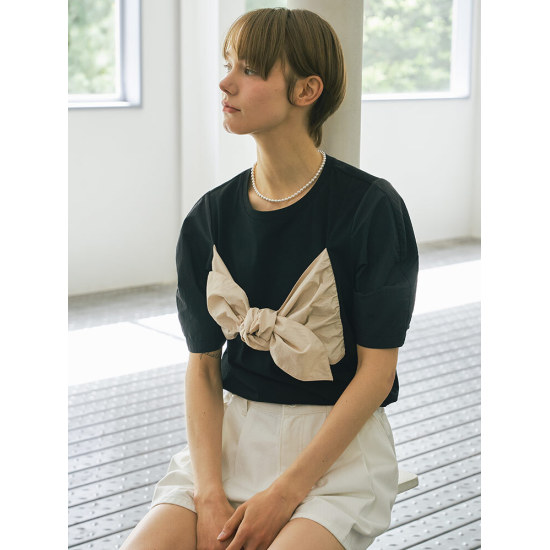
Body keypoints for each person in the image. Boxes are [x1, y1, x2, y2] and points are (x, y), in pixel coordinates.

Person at [121, 7, 418, 550]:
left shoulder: (370, 208)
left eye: (250, 69)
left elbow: (377, 374)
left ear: (306, 90)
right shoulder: (209, 217)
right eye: (228, 65)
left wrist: (285, 494)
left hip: (334, 452)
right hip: (230, 441)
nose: (226, 82)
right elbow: (203, 366)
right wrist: (209, 492)